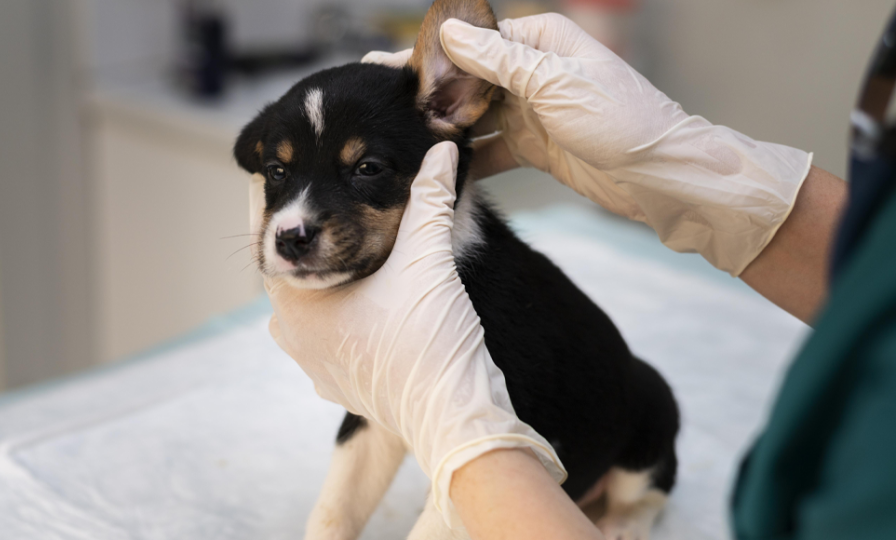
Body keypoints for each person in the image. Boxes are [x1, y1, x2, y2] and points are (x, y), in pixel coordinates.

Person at [254, 11, 896, 540]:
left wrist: (475, 453)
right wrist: (702, 176)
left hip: (603, 446)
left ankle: (637, 508)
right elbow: (378, 420)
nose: (297, 219)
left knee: (647, 406)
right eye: (283, 176)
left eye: (363, 169)